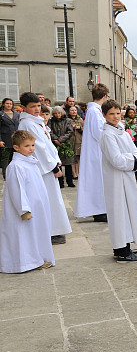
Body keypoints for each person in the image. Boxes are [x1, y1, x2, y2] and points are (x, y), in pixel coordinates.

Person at [17, 92, 72, 245]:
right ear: (23, 108)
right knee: (48, 200)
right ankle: (52, 231)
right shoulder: (27, 124)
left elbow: (47, 144)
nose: (36, 109)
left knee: (53, 199)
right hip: (42, 169)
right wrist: (54, 167)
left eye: (38, 106)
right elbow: (39, 148)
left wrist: (56, 160)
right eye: (32, 106)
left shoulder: (35, 121)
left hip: (48, 166)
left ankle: (55, 230)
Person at [0, 130, 55, 273]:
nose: (31, 148)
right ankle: (22, 263)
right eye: (27, 146)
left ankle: (36, 258)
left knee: (33, 234)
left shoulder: (30, 162)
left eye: (32, 145)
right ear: (16, 147)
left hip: (36, 207)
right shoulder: (16, 166)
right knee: (22, 235)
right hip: (24, 210)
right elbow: (16, 189)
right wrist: (23, 209)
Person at [99, 100, 137, 263]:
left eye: (118, 113)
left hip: (127, 176)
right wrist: (131, 159)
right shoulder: (107, 135)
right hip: (116, 179)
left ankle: (125, 244)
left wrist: (131, 158)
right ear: (104, 115)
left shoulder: (123, 132)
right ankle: (121, 250)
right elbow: (116, 160)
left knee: (128, 211)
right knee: (119, 212)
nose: (115, 116)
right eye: (111, 114)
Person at [75, 84, 109, 222]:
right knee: (97, 181)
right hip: (96, 152)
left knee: (97, 180)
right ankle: (99, 210)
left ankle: (99, 209)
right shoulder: (95, 112)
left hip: (95, 150)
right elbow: (99, 132)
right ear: (105, 96)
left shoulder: (93, 110)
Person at [48, 106, 75, 188]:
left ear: (62, 113)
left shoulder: (68, 121)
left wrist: (61, 140)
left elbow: (70, 131)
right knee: (58, 164)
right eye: (55, 113)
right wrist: (56, 140)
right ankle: (60, 182)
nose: (57, 115)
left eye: (59, 113)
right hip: (56, 144)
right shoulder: (51, 121)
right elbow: (49, 131)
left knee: (68, 164)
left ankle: (70, 181)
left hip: (66, 144)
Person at [1, 97, 20, 179]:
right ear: (3, 104)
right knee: (5, 158)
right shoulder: (1, 114)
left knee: (15, 157)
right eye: (7, 103)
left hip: (16, 139)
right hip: (5, 139)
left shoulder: (17, 114)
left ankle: (15, 174)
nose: (9, 105)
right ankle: (6, 175)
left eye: (11, 104)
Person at [67, 105, 83, 180]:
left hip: (78, 140)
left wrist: (80, 128)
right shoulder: (67, 120)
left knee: (78, 157)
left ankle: (78, 172)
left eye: (75, 110)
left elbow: (84, 130)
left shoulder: (80, 119)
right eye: (72, 110)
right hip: (70, 140)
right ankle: (74, 173)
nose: (74, 112)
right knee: (72, 157)